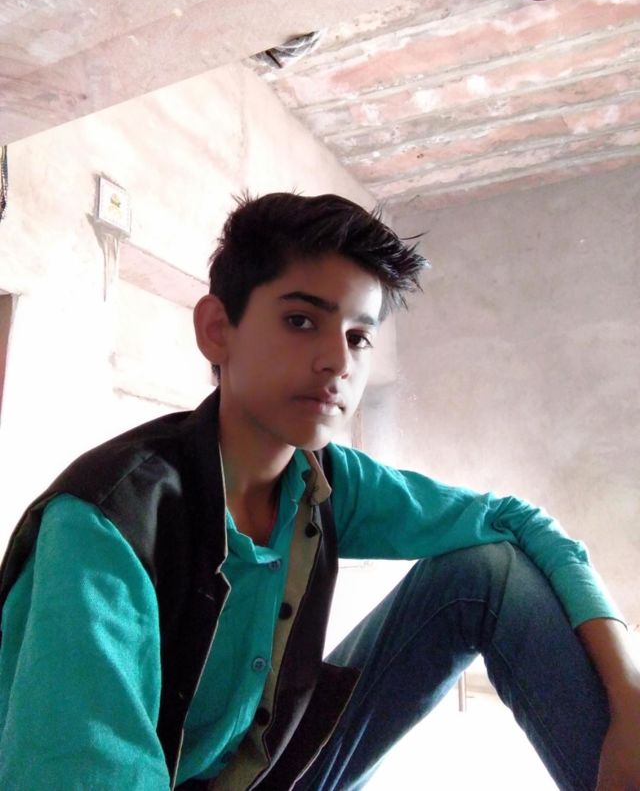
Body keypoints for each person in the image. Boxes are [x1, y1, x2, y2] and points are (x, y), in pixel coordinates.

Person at [0, 192, 638, 791]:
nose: (338, 361)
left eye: (358, 337)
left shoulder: (328, 479)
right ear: (217, 329)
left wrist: (629, 695)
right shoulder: (105, 525)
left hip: (279, 763)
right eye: (301, 320)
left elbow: (516, 520)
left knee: (487, 571)